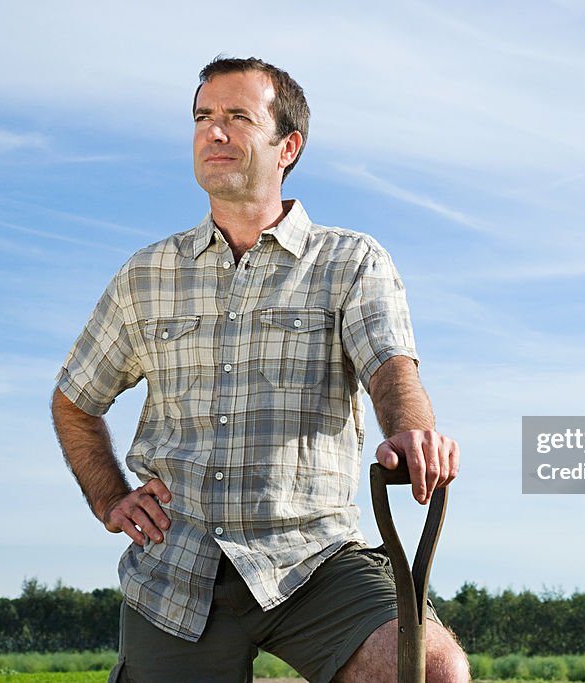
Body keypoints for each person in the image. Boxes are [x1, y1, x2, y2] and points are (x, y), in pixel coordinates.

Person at [51, 55, 469, 683]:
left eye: (237, 117)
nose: (212, 133)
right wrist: (110, 497)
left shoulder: (349, 260)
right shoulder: (146, 275)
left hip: (315, 556)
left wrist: (410, 429)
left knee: (431, 670)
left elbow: (390, 369)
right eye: (202, 117)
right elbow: (74, 401)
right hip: (175, 568)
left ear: (287, 147)